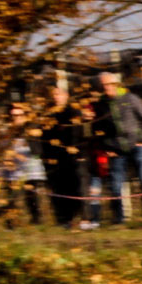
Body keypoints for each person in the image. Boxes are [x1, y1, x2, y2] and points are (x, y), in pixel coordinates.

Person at [92, 71, 142, 224]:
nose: (106, 87)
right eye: (103, 85)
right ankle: (119, 218)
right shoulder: (101, 104)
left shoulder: (130, 98)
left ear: (116, 84)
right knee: (116, 185)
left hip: (136, 145)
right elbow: (99, 128)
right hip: (116, 149)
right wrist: (107, 147)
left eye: (109, 84)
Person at [40, 85, 93, 229]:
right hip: (56, 159)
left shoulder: (74, 113)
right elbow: (45, 138)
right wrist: (47, 157)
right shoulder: (48, 115)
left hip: (75, 157)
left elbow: (81, 135)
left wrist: (81, 153)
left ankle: (84, 218)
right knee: (60, 189)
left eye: (59, 94)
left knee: (79, 188)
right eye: (54, 94)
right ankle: (65, 219)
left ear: (66, 95)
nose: (56, 97)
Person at [0, 102, 47, 224]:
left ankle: (36, 220)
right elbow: (3, 147)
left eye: (20, 115)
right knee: (12, 194)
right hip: (13, 167)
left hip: (30, 167)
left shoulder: (32, 127)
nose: (17, 118)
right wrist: (12, 156)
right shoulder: (7, 130)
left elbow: (37, 149)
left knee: (31, 194)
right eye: (14, 115)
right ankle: (10, 221)